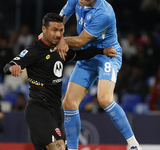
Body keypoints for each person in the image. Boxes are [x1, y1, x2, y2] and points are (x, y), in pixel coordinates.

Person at [3, 12, 117, 150]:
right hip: (39, 109)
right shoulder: (34, 51)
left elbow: (80, 55)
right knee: (59, 148)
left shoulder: (60, 50)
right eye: (54, 30)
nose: (58, 34)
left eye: (61, 30)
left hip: (55, 111)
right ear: (44, 29)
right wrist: (13, 68)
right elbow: (7, 67)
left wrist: (102, 51)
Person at [57, 0, 142, 150]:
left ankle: (134, 144)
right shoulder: (75, 0)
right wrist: (52, 31)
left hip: (107, 55)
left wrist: (55, 40)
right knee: (68, 103)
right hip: (87, 58)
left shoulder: (105, 13)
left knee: (104, 99)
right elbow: (59, 20)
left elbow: (81, 41)